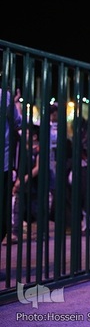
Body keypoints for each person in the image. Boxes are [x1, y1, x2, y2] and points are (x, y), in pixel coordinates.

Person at [1, 87, 21, 253]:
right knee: (3, 215)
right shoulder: (4, 95)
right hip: (4, 165)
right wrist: (15, 102)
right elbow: (18, 121)